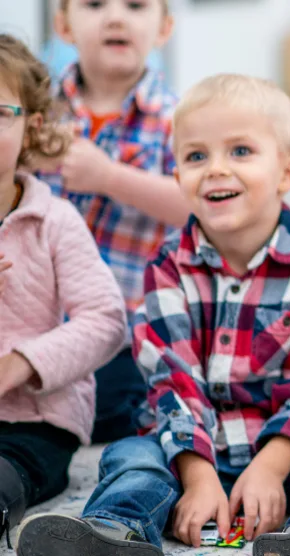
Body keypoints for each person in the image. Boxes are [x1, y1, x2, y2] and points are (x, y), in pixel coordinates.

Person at [16, 74, 290, 556]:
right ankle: (116, 531)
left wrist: (271, 467)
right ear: (179, 179)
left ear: (288, 172)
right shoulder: (167, 270)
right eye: (196, 156)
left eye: (240, 152)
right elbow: (172, 383)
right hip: (187, 447)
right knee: (133, 456)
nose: (216, 169)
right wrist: (198, 477)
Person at [39, 0, 189, 443]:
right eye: (95, 4)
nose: (116, 16)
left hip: (123, 331)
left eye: (136, 5)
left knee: (114, 408)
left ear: (164, 28)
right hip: (38, 317)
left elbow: (196, 205)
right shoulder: (38, 112)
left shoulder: (178, 119)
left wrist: (109, 177)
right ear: (64, 25)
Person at [0, 33, 126, 547]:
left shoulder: (54, 220)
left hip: (33, 422)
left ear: (30, 127)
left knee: (8, 472)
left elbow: (106, 319)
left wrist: (19, 365)